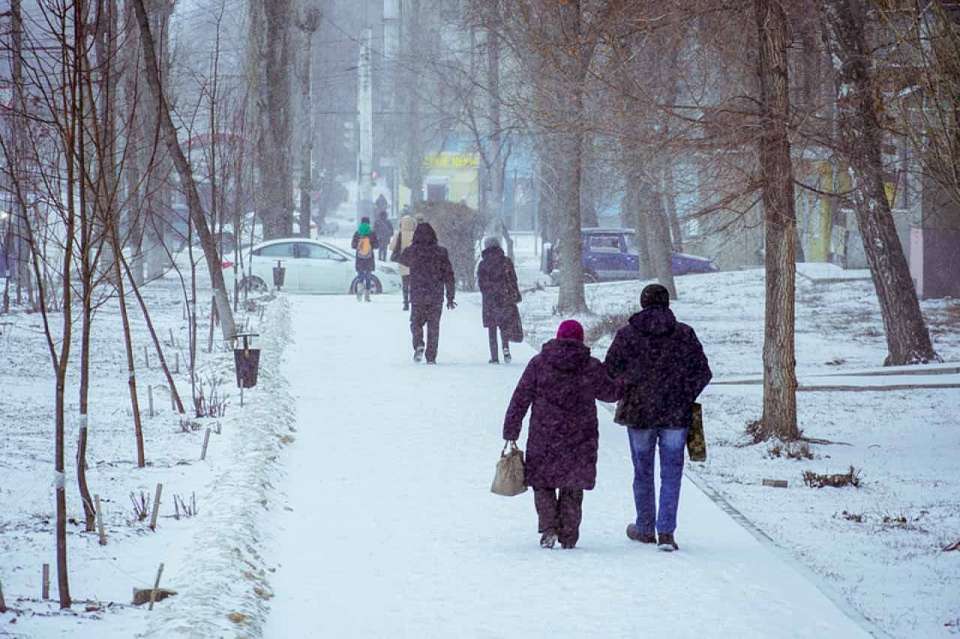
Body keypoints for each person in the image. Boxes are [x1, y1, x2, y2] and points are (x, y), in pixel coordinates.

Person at [603, 284, 712, 552]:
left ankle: (644, 527)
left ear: (642, 303)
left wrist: (628, 388)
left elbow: (609, 370)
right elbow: (703, 372)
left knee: (643, 471)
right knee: (672, 473)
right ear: (667, 303)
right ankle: (666, 532)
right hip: (676, 413)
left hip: (638, 412)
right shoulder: (684, 334)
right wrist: (684, 394)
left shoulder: (627, 335)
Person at [503, 320, 622, 550]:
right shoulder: (590, 366)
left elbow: (521, 398)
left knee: (543, 482)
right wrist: (625, 379)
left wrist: (511, 430)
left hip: (544, 434)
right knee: (573, 485)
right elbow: (610, 393)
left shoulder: (539, 364)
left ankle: (548, 529)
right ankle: (568, 534)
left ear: (557, 337)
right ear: (580, 339)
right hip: (580, 436)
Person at [397, 223, 456, 364]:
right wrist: (450, 296)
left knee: (416, 323)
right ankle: (431, 357)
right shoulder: (441, 252)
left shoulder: (411, 251)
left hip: (418, 294)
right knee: (433, 326)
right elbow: (449, 275)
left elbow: (400, 259)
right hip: (436, 295)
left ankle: (418, 344)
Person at [477, 237, 522, 364]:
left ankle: (494, 357)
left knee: (492, 329)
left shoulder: (483, 264)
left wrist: (488, 292)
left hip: (490, 300)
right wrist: (515, 294)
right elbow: (513, 279)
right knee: (504, 326)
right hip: (505, 298)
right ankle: (506, 348)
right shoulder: (506, 261)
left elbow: (481, 284)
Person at [389, 210, 418, 310]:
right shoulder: (416, 233)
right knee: (414, 283)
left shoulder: (399, 234)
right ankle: (413, 300)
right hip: (415, 262)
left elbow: (392, 247)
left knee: (405, 283)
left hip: (403, 261)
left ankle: (405, 303)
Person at [351, 216, 380, 302]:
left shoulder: (357, 233)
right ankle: (367, 296)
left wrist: (360, 246)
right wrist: (370, 245)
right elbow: (376, 245)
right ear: (369, 223)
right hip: (369, 259)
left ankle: (359, 293)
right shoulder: (372, 233)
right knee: (368, 277)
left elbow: (353, 245)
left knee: (360, 277)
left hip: (359, 258)